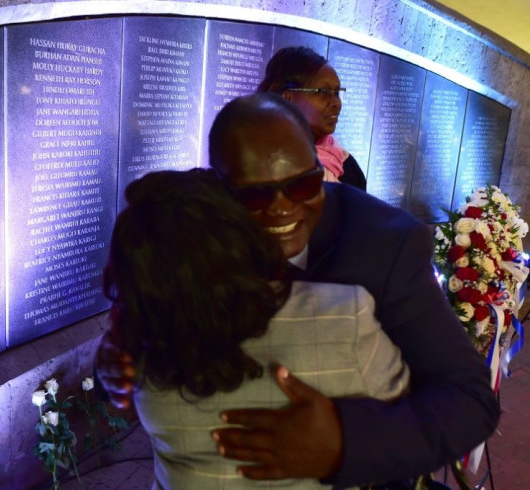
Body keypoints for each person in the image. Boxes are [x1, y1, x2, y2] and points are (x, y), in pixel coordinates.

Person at [95, 93, 499, 488]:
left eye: (304, 185)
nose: (282, 207)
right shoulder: (197, 242)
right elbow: (132, 331)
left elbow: (470, 399)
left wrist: (344, 443)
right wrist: (113, 364)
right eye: (254, 194)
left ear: (319, 171)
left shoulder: (386, 246)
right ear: (220, 188)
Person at [104, 168, 410, 489]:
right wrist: (342, 437)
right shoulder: (343, 314)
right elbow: (408, 419)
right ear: (237, 233)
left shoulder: (142, 342)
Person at [258, 46, 366, 190]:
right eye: (323, 92)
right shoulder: (256, 164)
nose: (336, 103)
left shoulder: (346, 166)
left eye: (336, 93)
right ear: (287, 98)